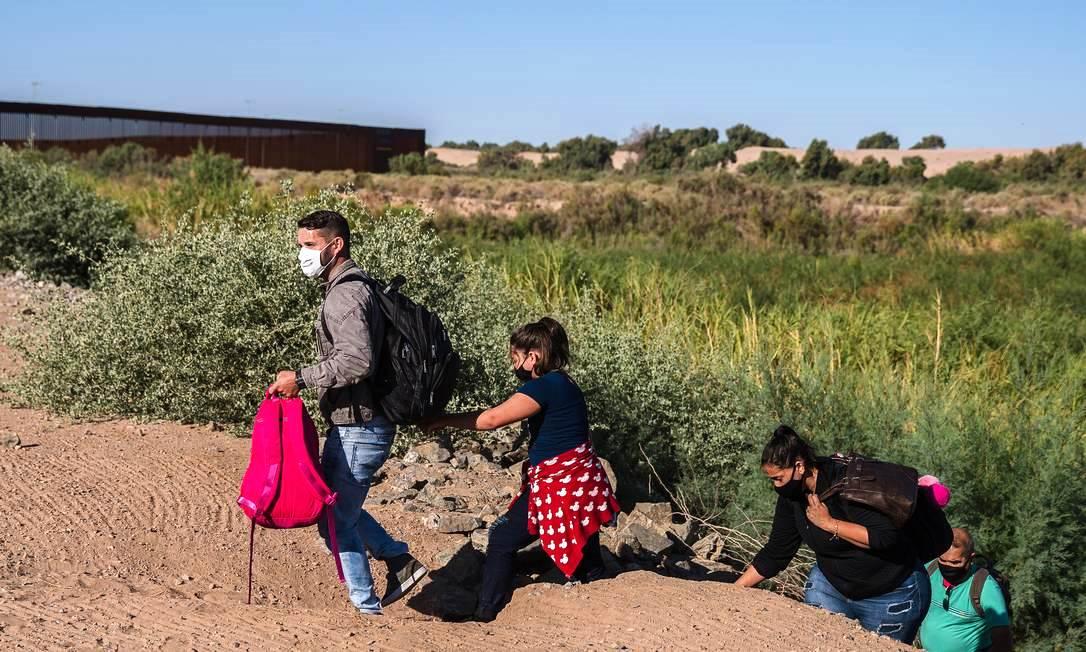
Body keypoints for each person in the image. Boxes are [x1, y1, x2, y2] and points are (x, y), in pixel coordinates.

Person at [267, 209, 427, 615]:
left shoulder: (345, 294)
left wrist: (300, 379)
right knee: (337, 510)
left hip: (362, 426)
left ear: (335, 245)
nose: (302, 254)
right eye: (300, 244)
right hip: (356, 423)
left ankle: (368, 606)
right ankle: (397, 561)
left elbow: (357, 361)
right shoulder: (354, 285)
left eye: (309, 246)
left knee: (336, 518)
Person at [423, 317, 619, 622]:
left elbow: (491, 420)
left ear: (533, 356)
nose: (512, 364)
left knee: (502, 537)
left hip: (561, 482)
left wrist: (444, 419)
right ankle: (593, 574)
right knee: (583, 527)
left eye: (515, 357)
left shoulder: (545, 386)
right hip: (578, 478)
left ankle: (486, 610)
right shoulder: (563, 381)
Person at [735, 425, 931, 643]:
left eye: (778, 478)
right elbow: (777, 552)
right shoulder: (792, 497)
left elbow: (884, 538)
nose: (775, 485)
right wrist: (734, 590)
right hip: (830, 587)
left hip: (891, 595)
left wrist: (829, 523)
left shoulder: (847, 486)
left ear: (799, 466)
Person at [919, 528, 1013, 652]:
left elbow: (1003, 642)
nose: (948, 566)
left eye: (955, 562)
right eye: (943, 560)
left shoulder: (985, 587)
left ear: (970, 558)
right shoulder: (930, 570)